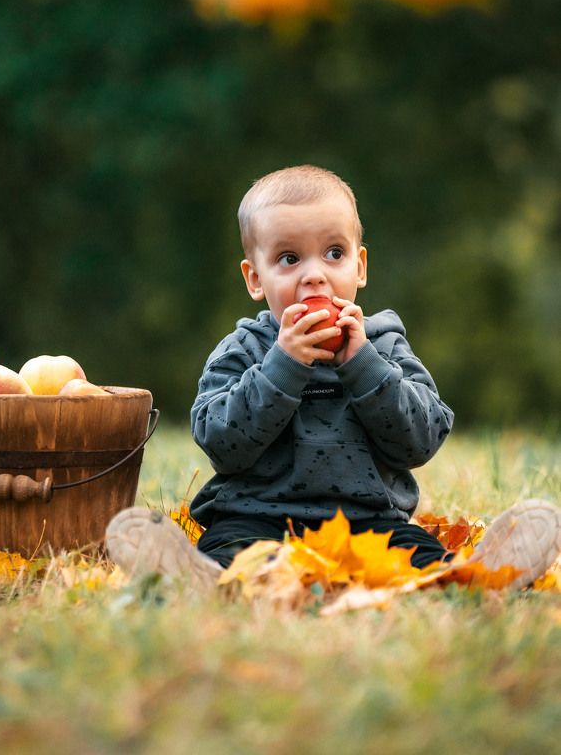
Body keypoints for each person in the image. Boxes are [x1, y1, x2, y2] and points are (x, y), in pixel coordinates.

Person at [106, 165, 561, 591]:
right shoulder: (243, 351)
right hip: (257, 521)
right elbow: (221, 443)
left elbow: (421, 440)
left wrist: (363, 365)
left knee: (417, 557)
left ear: (359, 267)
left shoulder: (382, 345)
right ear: (254, 279)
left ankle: (479, 574)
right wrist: (281, 367)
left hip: (369, 525)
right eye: (288, 258)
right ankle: (201, 581)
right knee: (230, 554)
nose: (315, 275)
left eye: (334, 253)